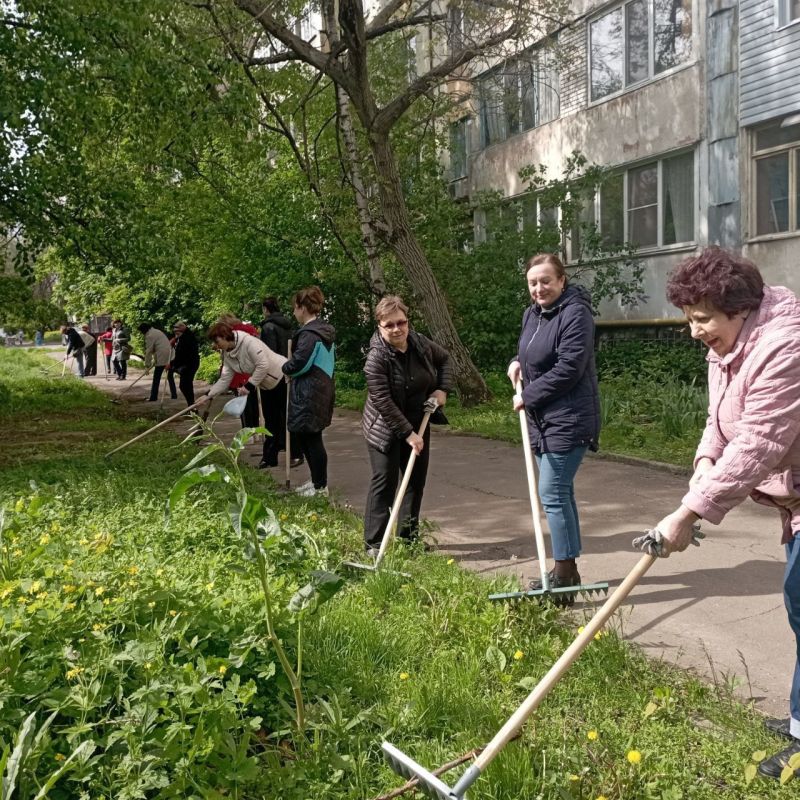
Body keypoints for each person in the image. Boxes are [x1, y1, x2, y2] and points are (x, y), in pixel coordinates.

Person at [634, 247, 800, 781]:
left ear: (740, 308)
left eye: (701, 319)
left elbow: (757, 443)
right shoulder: (729, 344)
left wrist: (689, 514)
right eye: (689, 319)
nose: (694, 331)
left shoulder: (784, 347)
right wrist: (704, 462)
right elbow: (720, 420)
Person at [508, 252, 600, 607]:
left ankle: (562, 577)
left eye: (546, 281)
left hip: (571, 417)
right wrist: (517, 363)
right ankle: (569, 570)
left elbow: (569, 368)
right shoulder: (532, 314)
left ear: (562, 281)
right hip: (543, 420)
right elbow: (530, 353)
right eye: (533, 282)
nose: (539, 288)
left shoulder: (576, 314)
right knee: (562, 494)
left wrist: (528, 395)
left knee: (552, 492)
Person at [361, 295, 451, 554]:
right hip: (384, 427)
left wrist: (441, 390)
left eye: (401, 322)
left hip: (418, 420)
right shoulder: (376, 359)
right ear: (379, 325)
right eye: (389, 325)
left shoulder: (419, 343)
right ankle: (373, 544)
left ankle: (407, 540)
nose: (397, 329)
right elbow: (383, 401)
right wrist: (408, 434)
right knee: (384, 482)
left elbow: (446, 360)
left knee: (414, 480)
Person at [281, 286, 336, 497]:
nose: (294, 313)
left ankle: (321, 487)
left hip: (309, 392)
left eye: (295, 308)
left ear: (302, 308)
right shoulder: (323, 331)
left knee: (312, 439)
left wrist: (285, 368)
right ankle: (316, 483)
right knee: (307, 437)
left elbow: (300, 364)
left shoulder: (309, 334)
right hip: (320, 389)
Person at [199, 321, 287, 417]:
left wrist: (249, 385)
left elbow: (263, 365)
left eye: (216, 341)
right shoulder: (227, 354)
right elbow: (224, 379)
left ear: (224, 336)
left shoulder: (248, 342)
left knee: (284, 418)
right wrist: (208, 395)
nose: (216, 345)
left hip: (282, 377)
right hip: (265, 384)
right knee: (271, 420)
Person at [258, 297, 299, 468]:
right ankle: (295, 451)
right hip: (287, 372)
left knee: (272, 417)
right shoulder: (287, 326)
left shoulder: (268, 327)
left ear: (265, 309)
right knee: (286, 413)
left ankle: (270, 456)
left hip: (274, 374)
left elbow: (269, 354)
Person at [138, 323, 172, 402]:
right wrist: (155, 360)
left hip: (162, 355)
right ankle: (174, 395)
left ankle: (153, 397)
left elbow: (149, 351)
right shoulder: (156, 331)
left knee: (156, 377)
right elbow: (156, 347)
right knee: (169, 375)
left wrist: (147, 366)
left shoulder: (150, 335)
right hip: (169, 354)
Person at [169, 321, 200, 406]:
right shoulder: (183, 337)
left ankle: (192, 406)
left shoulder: (186, 338)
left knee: (185, 386)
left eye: (177, 331)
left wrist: (172, 364)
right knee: (185, 386)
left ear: (183, 329)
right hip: (189, 364)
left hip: (189, 364)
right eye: (175, 332)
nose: (176, 333)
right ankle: (191, 406)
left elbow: (181, 355)